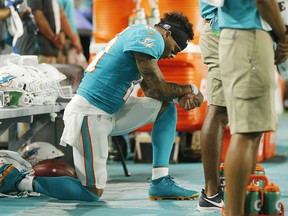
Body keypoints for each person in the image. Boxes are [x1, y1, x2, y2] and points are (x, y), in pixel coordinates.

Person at [0, 12, 204, 201]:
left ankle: (160, 181)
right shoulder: (150, 39)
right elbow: (159, 88)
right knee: (91, 193)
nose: (172, 56)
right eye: (175, 49)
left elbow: (152, 92)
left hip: (109, 110)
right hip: (90, 113)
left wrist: (181, 96)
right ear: (167, 34)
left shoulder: (141, 34)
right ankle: (19, 180)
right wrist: (191, 89)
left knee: (164, 110)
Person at [218, 0, 288, 215]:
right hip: (249, 36)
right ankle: (234, 212)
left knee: (252, 131)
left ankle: (239, 210)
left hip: (246, 37)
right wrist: (284, 37)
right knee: (246, 132)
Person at [196, 1, 227, 212]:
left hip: (227, 31)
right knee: (219, 110)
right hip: (221, 32)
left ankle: (219, 188)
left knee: (230, 112)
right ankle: (211, 193)